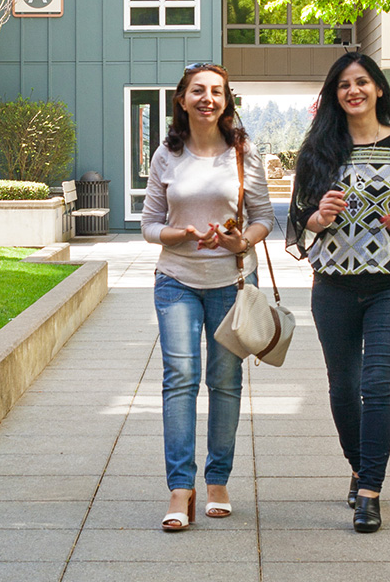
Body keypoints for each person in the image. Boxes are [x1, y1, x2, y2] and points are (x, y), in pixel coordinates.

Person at [285, 52, 390, 533]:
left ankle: (370, 492)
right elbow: (300, 220)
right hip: (333, 286)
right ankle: (358, 466)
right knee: (344, 387)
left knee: (378, 385)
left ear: (378, 88)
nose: (352, 91)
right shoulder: (318, 150)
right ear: (335, 95)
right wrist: (321, 215)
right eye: (342, 85)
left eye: (361, 82)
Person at [141, 63, 273, 532]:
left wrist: (242, 242)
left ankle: (218, 480)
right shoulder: (166, 155)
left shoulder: (243, 152)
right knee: (179, 378)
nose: (208, 98)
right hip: (175, 279)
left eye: (217, 91)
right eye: (198, 90)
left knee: (225, 380)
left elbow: (263, 217)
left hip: (231, 283)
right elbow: (149, 224)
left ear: (226, 101)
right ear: (182, 99)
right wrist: (176, 234)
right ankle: (181, 488)